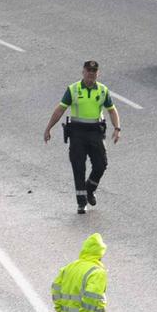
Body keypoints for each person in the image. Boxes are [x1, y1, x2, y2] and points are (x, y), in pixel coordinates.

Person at [43, 59, 122, 213]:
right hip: (77, 133)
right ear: (83, 72)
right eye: (88, 71)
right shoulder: (73, 89)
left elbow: (112, 110)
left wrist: (117, 128)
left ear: (97, 73)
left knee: (101, 164)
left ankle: (89, 188)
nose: (91, 75)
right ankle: (81, 202)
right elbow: (60, 110)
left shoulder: (102, 90)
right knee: (78, 167)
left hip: (95, 132)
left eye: (94, 72)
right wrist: (48, 128)